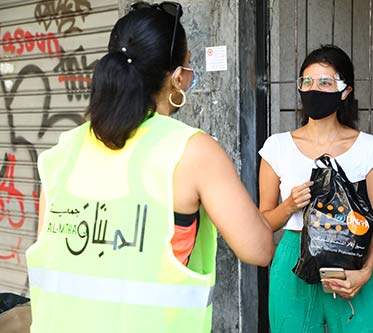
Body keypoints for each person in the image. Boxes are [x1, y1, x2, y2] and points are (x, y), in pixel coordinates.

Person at [25, 2, 274, 333]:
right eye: (187, 66)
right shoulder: (191, 152)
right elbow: (258, 249)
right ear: (176, 79)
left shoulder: (62, 152)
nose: (189, 75)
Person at [259, 45, 373, 332]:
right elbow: (263, 221)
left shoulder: (369, 148)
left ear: (345, 91)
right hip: (293, 256)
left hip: (350, 257)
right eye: (307, 82)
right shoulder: (276, 147)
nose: (313, 89)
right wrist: (289, 205)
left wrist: (364, 274)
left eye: (325, 82)